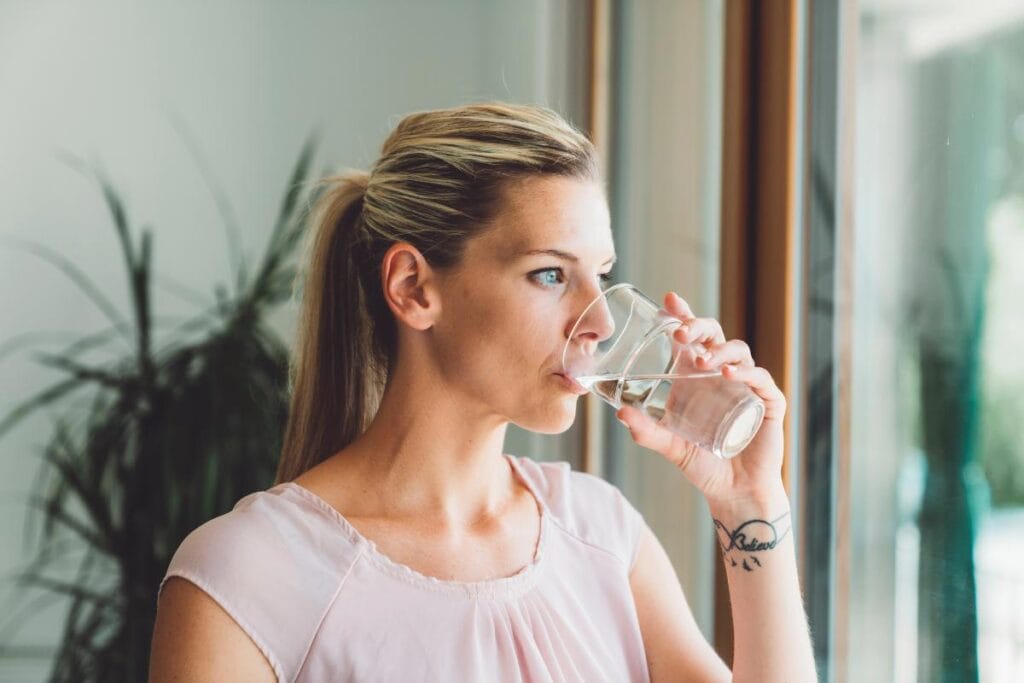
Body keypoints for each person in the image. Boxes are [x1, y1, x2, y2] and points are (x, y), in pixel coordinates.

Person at [148, 102, 816, 682]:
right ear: (414, 287)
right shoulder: (247, 575)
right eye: (551, 274)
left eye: (602, 274)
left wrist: (749, 503)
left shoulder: (602, 534)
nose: (604, 322)